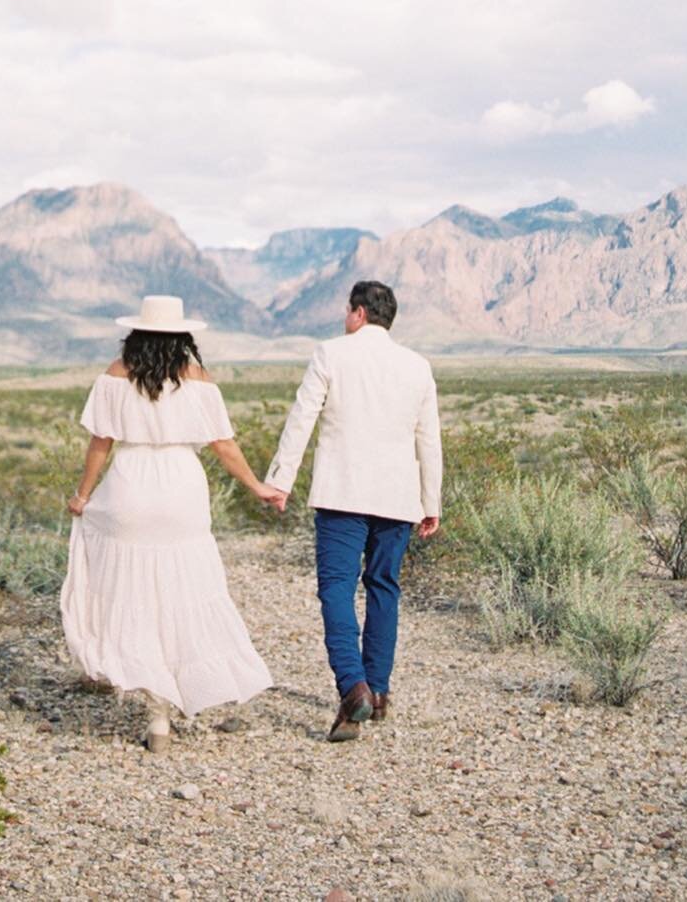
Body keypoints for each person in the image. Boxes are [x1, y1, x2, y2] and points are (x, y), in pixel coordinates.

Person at [60, 292, 281, 752]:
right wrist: (257, 485)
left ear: (137, 331)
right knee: (182, 591)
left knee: (134, 593)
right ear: (183, 334)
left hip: (130, 486)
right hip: (182, 488)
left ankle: (156, 713)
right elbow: (223, 445)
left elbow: (100, 444)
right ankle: (175, 696)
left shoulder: (115, 374)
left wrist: (82, 496)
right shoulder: (199, 378)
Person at [266, 278, 442, 741]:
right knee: (384, 587)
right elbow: (429, 439)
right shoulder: (417, 366)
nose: (345, 318)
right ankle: (378, 691)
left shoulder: (330, 354)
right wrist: (431, 501)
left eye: (348, 310)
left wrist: (280, 481)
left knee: (337, 590)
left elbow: (301, 418)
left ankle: (353, 688)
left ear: (360, 313)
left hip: (342, 495)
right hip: (398, 498)